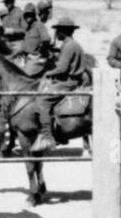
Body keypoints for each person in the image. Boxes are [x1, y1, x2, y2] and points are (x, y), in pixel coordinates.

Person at [31, 16, 85, 153]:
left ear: (63, 32)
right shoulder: (73, 44)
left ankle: (47, 137)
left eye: (58, 31)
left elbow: (62, 68)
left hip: (67, 82)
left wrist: (47, 74)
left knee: (42, 100)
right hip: (73, 80)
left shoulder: (68, 46)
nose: (56, 33)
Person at [15, 3, 53, 73]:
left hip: (34, 59)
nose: (28, 17)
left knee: (25, 75)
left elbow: (46, 39)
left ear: (34, 15)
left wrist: (38, 53)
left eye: (30, 14)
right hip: (24, 57)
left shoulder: (39, 25)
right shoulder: (28, 27)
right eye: (26, 15)